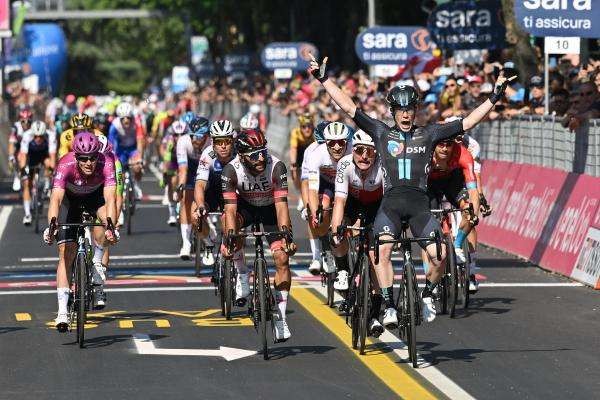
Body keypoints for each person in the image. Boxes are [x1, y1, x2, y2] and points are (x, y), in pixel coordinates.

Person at [309, 54, 514, 323]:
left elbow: (467, 122)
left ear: (415, 111)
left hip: (420, 206)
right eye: (401, 110)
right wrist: (324, 79)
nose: (406, 114)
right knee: (381, 251)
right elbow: (350, 108)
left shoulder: (428, 134)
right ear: (393, 112)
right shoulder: (382, 133)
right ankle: (388, 304)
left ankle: (427, 294)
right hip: (390, 206)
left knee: (441, 255)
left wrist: (494, 97)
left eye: (410, 110)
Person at [220, 128, 297, 341]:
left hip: (271, 209)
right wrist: (230, 238)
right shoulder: (231, 170)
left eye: (263, 151)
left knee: (282, 258)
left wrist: (286, 236)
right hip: (245, 208)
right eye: (254, 155)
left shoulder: (276, 166)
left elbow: (282, 206)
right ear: (242, 156)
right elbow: (230, 210)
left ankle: (281, 318)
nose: (261, 158)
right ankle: (242, 273)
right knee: (229, 227)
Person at [43, 132, 118, 330]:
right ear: (76, 157)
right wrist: (52, 224)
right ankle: (62, 312)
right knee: (66, 253)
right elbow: (56, 199)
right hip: (70, 202)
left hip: (95, 199)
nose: (89, 162)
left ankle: (97, 262)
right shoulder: (65, 164)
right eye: (84, 158)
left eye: (93, 157)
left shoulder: (106, 162)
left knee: (106, 223)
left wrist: (111, 225)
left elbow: (110, 198)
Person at [330, 130, 386, 335]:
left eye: (369, 152)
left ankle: (375, 314)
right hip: (352, 204)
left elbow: (389, 204)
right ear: (352, 150)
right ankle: (344, 271)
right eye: (359, 150)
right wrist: (336, 231)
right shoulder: (344, 165)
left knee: (376, 256)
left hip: (378, 205)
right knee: (337, 232)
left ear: (376, 153)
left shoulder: (383, 166)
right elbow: (339, 202)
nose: (364, 156)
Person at [305, 121, 352, 274]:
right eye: (332, 143)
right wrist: (315, 212)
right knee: (322, 208)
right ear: (325, 143)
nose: (337, 147)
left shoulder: (353, 151)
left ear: (347, 142)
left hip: (349, 183)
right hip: (327, 185)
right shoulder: (316, 154)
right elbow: (312, 189)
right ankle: (326, 247)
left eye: (341, 143)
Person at [194, 119, 236, 268]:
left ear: (233, 140)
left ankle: (238, 267)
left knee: (231, 224)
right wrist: (200, 205)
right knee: (195, 215)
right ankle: (208, 244)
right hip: (212, 191)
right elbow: (200, 185)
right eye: (219, 142)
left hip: (233, 193)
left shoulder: (239, 154)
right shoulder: (207, 154)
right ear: (213, 142)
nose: (223, 146)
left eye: (227, 141)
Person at [176, 116, 211, 259]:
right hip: (191, 169)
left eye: (199, 136)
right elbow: (183, 170)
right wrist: (180, 186)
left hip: (209, 170)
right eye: (193, 136)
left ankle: (209, 236)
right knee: (186, 200)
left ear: (207, 136)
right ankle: (186, 243)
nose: (195, 140)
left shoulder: (211, 144)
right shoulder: (183, 141)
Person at [18, 121, 57, 225]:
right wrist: (23, 171)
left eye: (40, 136)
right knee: (27, 184)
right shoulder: (27, 135)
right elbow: (23, 155)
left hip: (44, 156)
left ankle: (46, 186)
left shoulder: (51, 135)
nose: (38, 138)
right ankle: (27, 215)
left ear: (44, 134)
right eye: (36, 136)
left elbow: (52, 156)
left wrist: (52, 171)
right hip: (31, 156)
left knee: (50, 165)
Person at [108, 102, 145, 199]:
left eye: (128, 118)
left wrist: (140, 158)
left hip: (133, 148)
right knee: (120, 172)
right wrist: (113, 160)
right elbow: (111, 145)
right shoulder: (114, 125)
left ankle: (136, 185)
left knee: (137, 166)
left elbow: (140, 141)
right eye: (123, 118)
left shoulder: (137, 122)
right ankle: (122, 192)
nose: (126, 120)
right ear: (119, 118)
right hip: (121, 149)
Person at [160, 120, 188, 226]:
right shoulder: (169, 140)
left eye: (182, 134)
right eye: (176, 135)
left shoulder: (189, 141)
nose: (179, 137)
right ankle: (172, 213)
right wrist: (165, 174)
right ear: (172, 134)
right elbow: (165, 157)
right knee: (171, 182)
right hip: (172, 160)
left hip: (184, 161)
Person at [289, 112, 315, 211]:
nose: (307, 129)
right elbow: (293, 149)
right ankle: (301, 195)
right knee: (295, 174)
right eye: (304, 127)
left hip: (311, 152)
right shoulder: (295, 132)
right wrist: (293, 163)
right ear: (300, 127)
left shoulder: (315, 133)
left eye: (309, 126)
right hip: (299, 151)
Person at [9, 108, 33, 191]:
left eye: (28, 121)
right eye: (23, 121)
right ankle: (17, 175)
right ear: (20, 120)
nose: (26, 124)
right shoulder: (16, 127)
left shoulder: (33, 127)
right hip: (19, 145)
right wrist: (11, 157)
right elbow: (11, 142)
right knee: (17, 157)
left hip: (30, 146)